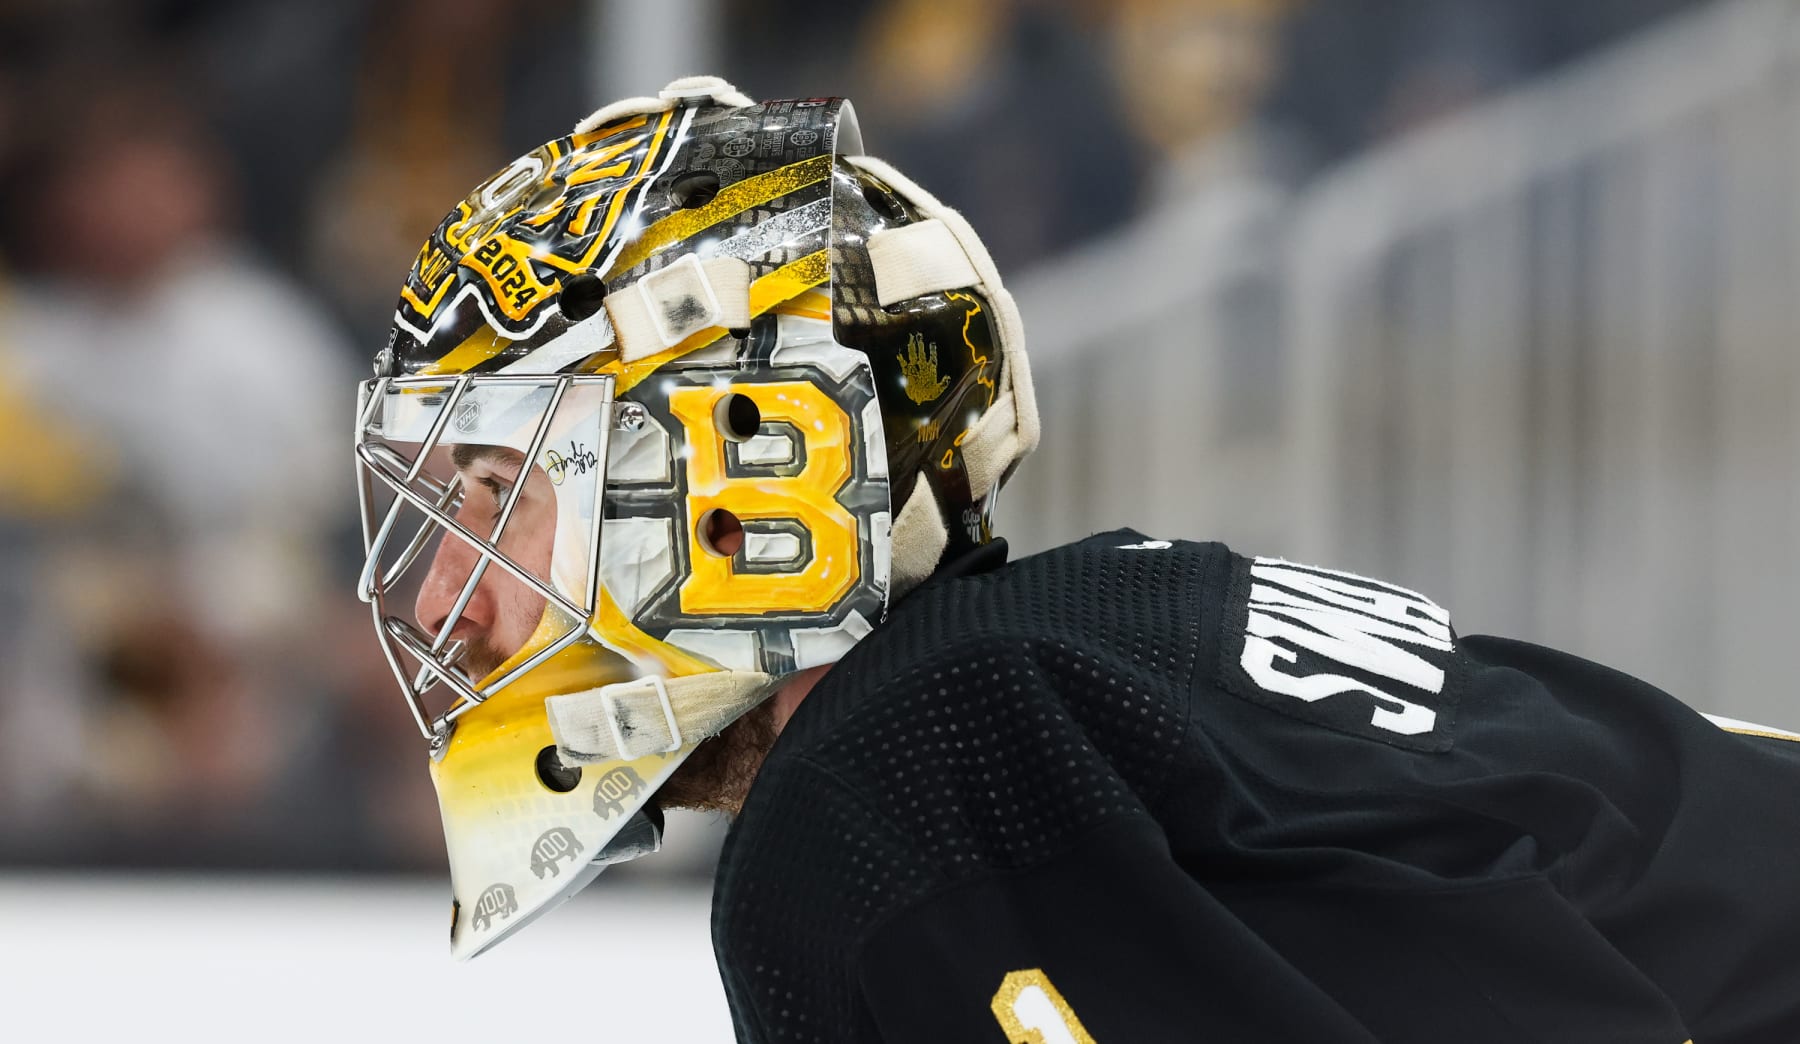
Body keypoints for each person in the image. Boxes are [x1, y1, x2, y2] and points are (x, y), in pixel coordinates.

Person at [352, 77, 1800, 1042]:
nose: (438, 597)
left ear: (737, 453)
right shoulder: (1086, 644)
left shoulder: (899, 779)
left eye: (494, 490)